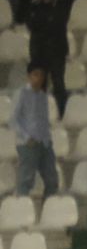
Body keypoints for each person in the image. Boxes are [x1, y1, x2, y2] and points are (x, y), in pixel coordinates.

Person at [24, 0, 70, 116]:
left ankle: (61, 113)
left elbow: (57, 22)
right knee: (38, 87)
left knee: (58, 85)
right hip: (38, 51)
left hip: (56, 50)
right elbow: (30, 23)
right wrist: (45, 23)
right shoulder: (35, 4)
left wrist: (42, 25)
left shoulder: (62, 3)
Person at [11, 64, 58, 199]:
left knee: (52, 180)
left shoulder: (43, 96)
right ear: (29, 76)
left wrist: (47, 139)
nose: (39, 78)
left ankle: (50, 212)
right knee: (25, 181)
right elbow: (13, 120)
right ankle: (21, 213)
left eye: (41, 75)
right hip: (28, 144)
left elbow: (43, 120)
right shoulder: (21, 94)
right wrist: (27, 137)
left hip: (44, 143)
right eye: (35, 74)